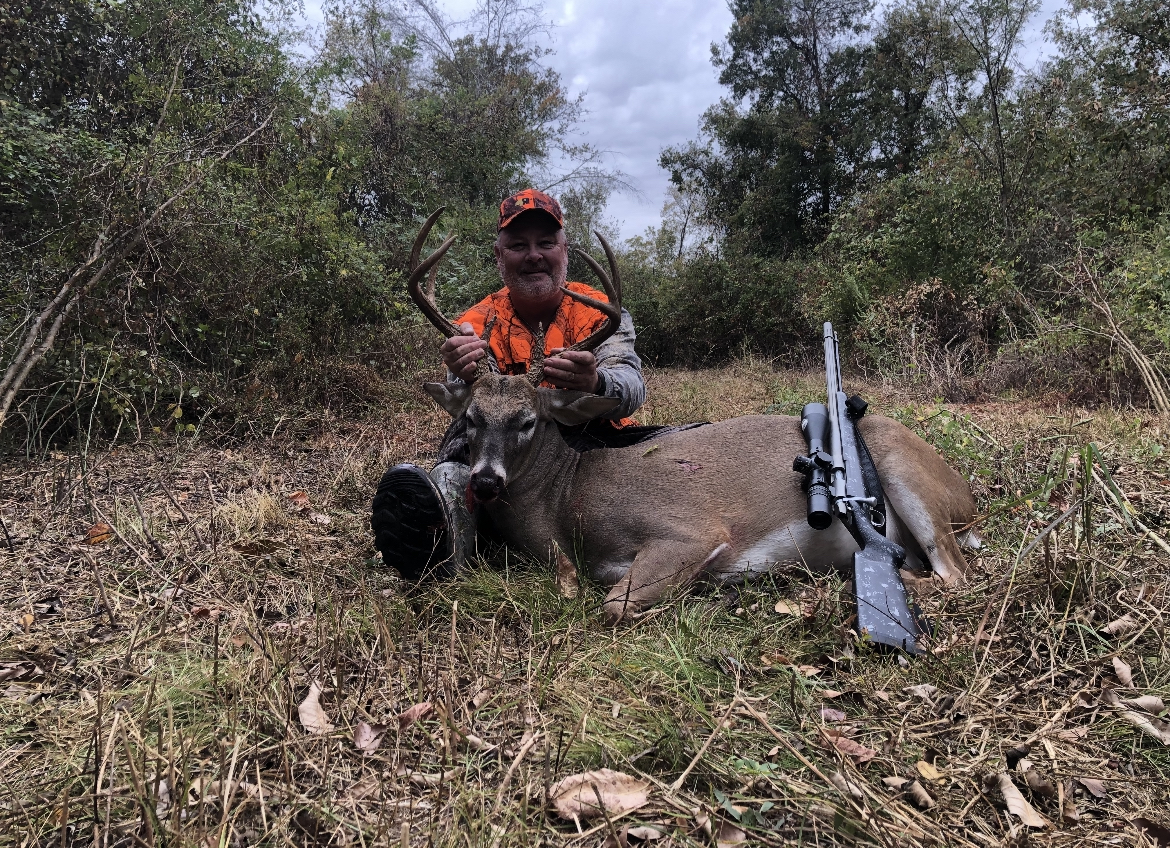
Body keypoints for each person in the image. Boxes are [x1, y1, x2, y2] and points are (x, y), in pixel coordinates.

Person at [371, 189, 656, 580]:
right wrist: (458, 370)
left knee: (672, 453)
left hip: (593, 442)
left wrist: (596, 381)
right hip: (506, 448)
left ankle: (494, 532)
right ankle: (445, 545)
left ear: (564, 250)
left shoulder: (601, 313)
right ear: (499, 255)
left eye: (545, 243)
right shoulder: (476, 321)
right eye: (519, 245)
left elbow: (631, 387)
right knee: (462, 449)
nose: (534, 255)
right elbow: (471, 401)